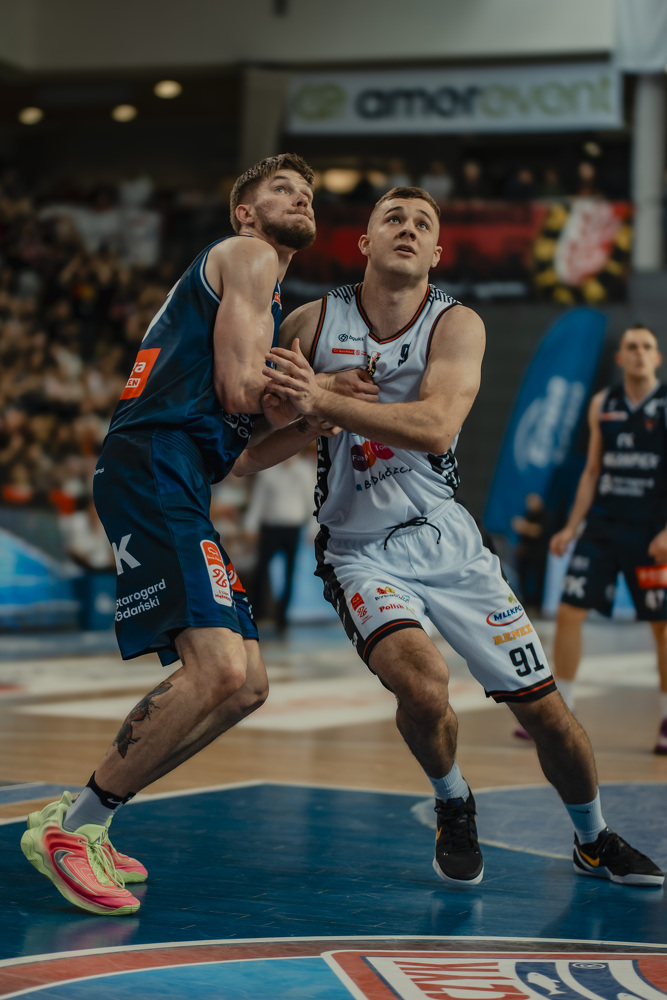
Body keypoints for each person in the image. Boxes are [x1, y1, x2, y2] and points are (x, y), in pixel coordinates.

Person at [234, 187, 664, 890]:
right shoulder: (309, 325)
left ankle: (593, 838)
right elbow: (247, 450)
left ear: (437, 252)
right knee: (423, 685)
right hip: (357, 549)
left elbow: (436, 428)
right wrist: (305, 417)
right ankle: (453, 800)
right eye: (392, 219)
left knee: (546, 712)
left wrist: (324, 399)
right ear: (364, 243)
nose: (407, 229)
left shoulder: (456, 324)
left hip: (447, 541)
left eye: (422, 223)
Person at [20, 153, 330, 917]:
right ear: (245, 213)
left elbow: (242, 455)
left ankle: (87, 818)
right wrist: (320, 392)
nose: (300, 197)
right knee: (217, 668)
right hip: (151, 463)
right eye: (281, 189)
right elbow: (240, 390)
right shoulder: (249, 256)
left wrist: (314, 421)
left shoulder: (255, 286)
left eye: (307, 192)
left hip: (177, 471)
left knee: (246, 685)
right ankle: (73, 830)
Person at [549, 325, 667, 756]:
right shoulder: (604, 403)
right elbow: (593, 471)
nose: (639, 353)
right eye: (631, 347)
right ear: (620, 358)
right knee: (568, 612)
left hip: (650, 533)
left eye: (647, 347)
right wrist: (571, 527)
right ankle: (562, 714)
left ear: (657, 357)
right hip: (601, 528)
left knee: (662, 626)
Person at [245, 449, 316, 636]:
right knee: (260, 571)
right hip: (271, 527)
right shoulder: (268, 469)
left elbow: (311, 500)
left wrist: (313, 528)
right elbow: (258, 500)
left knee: (289, 574)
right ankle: (257, 614)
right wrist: (250, 526)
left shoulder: (304, 470)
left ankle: (281, 619)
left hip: (293, 528)